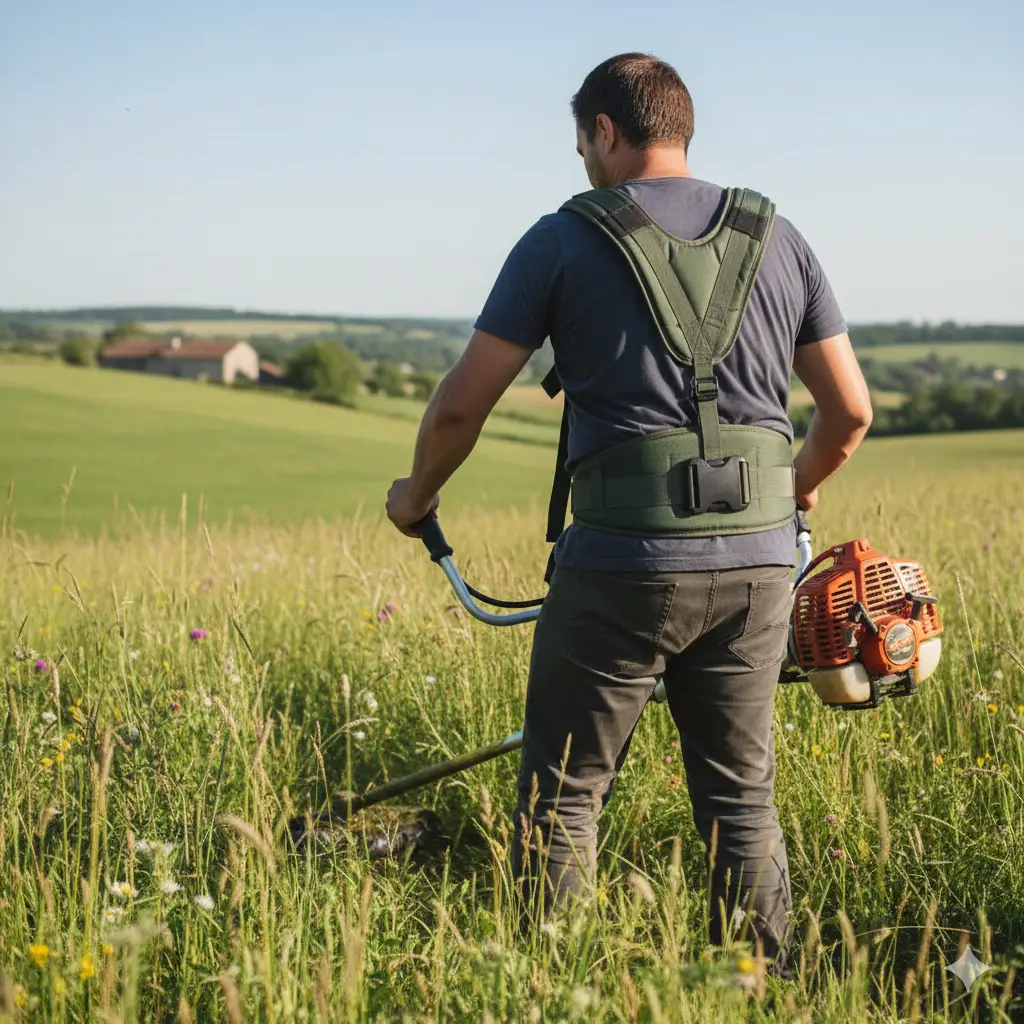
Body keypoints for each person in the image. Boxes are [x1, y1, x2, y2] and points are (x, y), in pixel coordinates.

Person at [386, 52, 872, 971]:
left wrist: (417, 498)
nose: (582, 166)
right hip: (763, 561)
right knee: (741, 800)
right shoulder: (783, 236)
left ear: (605, 132)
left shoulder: (561, 240)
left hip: (621, 566)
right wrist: (796, 490)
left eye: (582, 147)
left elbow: (459, 405)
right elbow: (850, 412)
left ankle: (559, 988)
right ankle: (759, 985)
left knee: (565, 795)